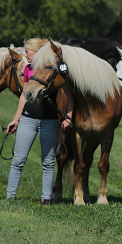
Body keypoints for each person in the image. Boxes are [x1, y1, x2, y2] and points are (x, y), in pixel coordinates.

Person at [5, 38, 73, 204]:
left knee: (48, 161)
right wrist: (16, 120)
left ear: (37, 52)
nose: (25, 54)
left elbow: (69, 94)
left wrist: (69, 116)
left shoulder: (55, 69)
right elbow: (24, 95)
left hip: (49, 120)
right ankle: (10, 197)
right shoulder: (28, 69)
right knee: (19, 160)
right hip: (28, 118)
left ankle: (46, 198)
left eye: (27, 51)